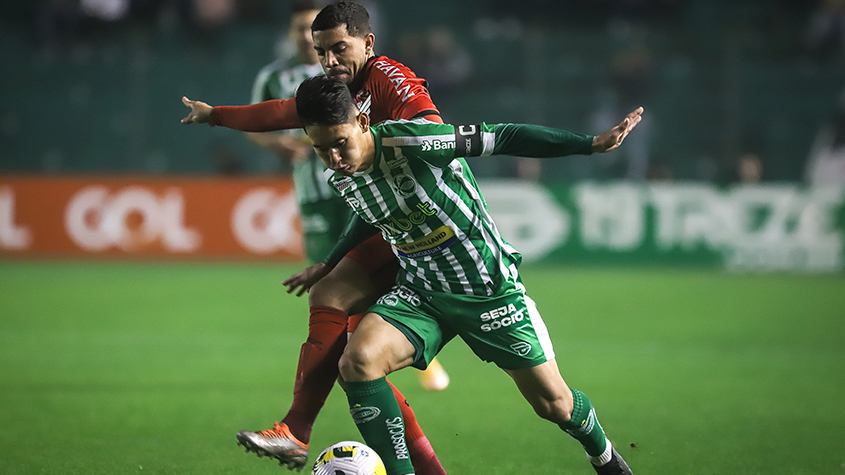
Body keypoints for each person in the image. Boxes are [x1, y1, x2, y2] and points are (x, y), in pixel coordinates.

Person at [291, 74, 642, 475]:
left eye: (340, 143)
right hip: (421, 292)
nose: (335, 157)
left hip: (488, 290)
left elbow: (503, 136)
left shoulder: (418, 143)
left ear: (363, 123)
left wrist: (589, 145)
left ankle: (604, 455)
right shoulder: (341, 175)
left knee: (555, 405)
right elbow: (372, 212)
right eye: (322, 149)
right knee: (358, 362)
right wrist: (330, 262)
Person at [181, 2, 448, 473]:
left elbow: (430, 125)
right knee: (351, 356)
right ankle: (298, 432)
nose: (327, 60)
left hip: (419, 221)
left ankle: (296, 430)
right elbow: (286, 110)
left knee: (342, 322)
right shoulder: (338, 89)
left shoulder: (387, 76)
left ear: (367, 44)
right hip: (386, 218)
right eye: (321, 51)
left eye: (335, 49)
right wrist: (217, 115)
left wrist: (399, 145)